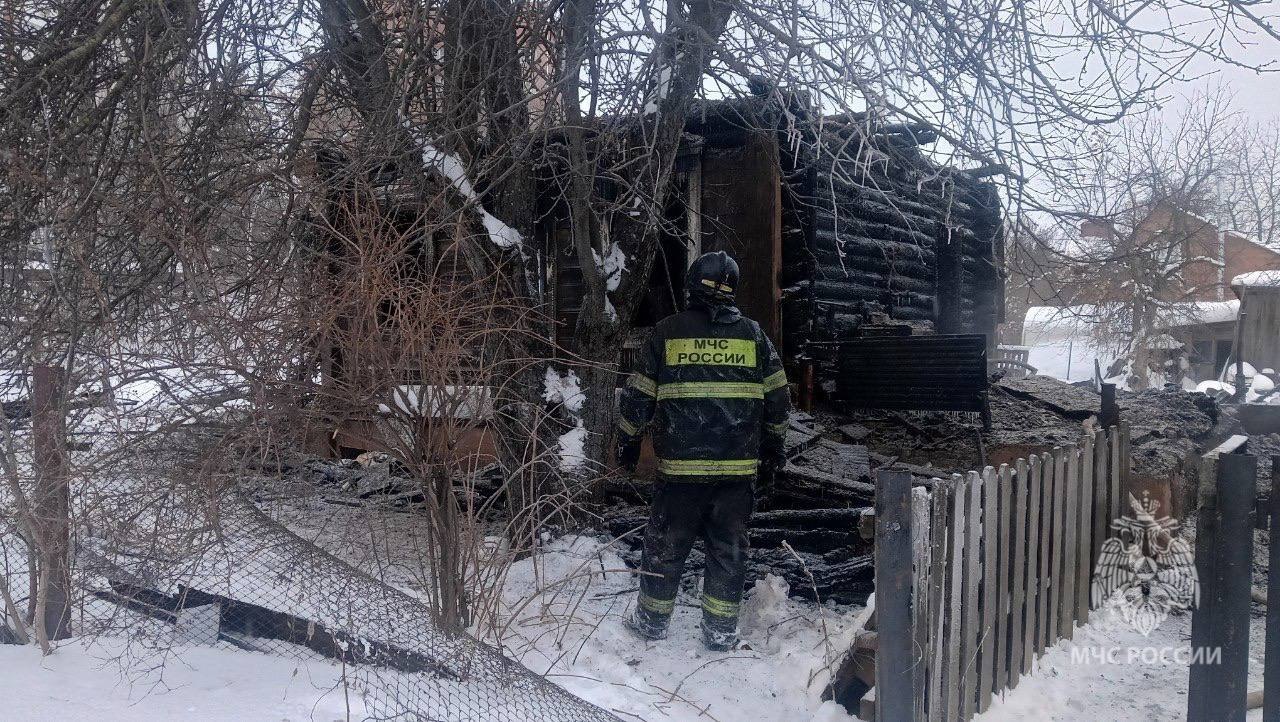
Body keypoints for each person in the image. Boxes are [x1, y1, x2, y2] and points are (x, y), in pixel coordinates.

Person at [615, 250, 790, 651]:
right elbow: (779, 400)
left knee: (666, 546)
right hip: (736, 474)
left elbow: (636, 397)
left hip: (680, 475)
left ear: (692, 285)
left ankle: (651, 623)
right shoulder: (753, 335)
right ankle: (719, 632)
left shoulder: (667, 332)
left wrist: (627, 441)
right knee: (728, 552)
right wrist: (773, 451)